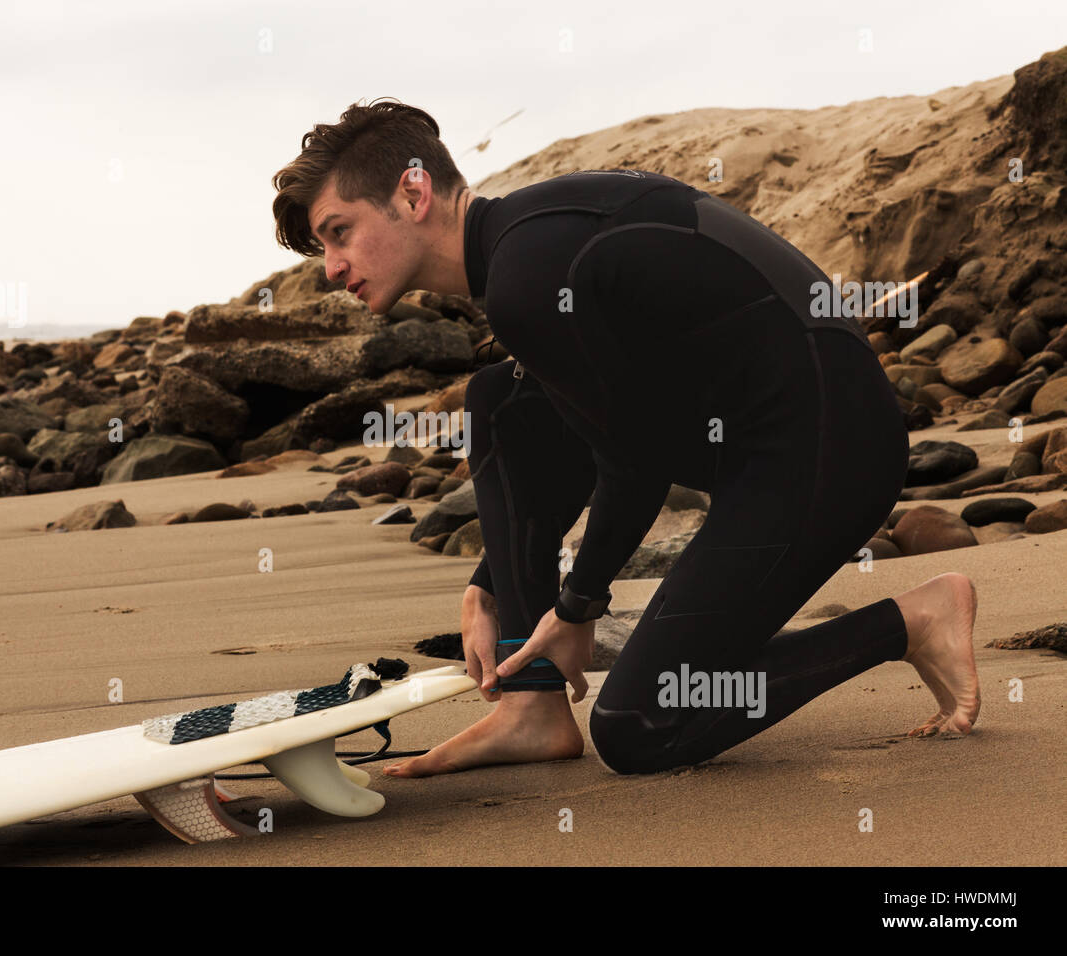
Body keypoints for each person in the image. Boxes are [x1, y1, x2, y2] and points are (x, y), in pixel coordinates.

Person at [271, 97, 980, 777]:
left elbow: (631, 464)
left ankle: (912, 621)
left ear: (414, 192)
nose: (331, 269)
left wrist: (580, 606)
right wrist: (488, 583)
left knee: (641, 723)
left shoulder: (527, 277)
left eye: (339, 231)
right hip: (770, 436)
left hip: (828, 454)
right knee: (501, 400)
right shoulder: (531, 242)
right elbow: (594, 424)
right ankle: (533, 705)